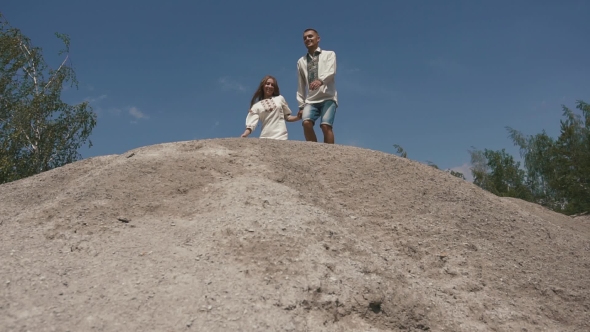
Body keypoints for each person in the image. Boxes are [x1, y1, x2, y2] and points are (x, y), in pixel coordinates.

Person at [296, 28, 338, 144]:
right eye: (305, 38)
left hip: (328, 97)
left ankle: (329, 154)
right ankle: (314, 151)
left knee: (325, 126)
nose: (307, 39)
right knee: (306, 123)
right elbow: (301, 84)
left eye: (310, 36)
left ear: (318, 39)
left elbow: (331, 71)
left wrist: (321, 81)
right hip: (311, 100)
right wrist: (301, 105)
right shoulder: (301, 61)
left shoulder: (329, 54)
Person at [241, 75, 301, 140]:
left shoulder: (280, 98)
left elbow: (287, 117)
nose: (270, 86)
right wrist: (245, 134)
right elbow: (251, 124)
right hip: (265, 137)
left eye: (272, 85)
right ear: (263, 86)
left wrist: (298, 117)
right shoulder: (256, 106)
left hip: (281, 136)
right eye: (267, 84)